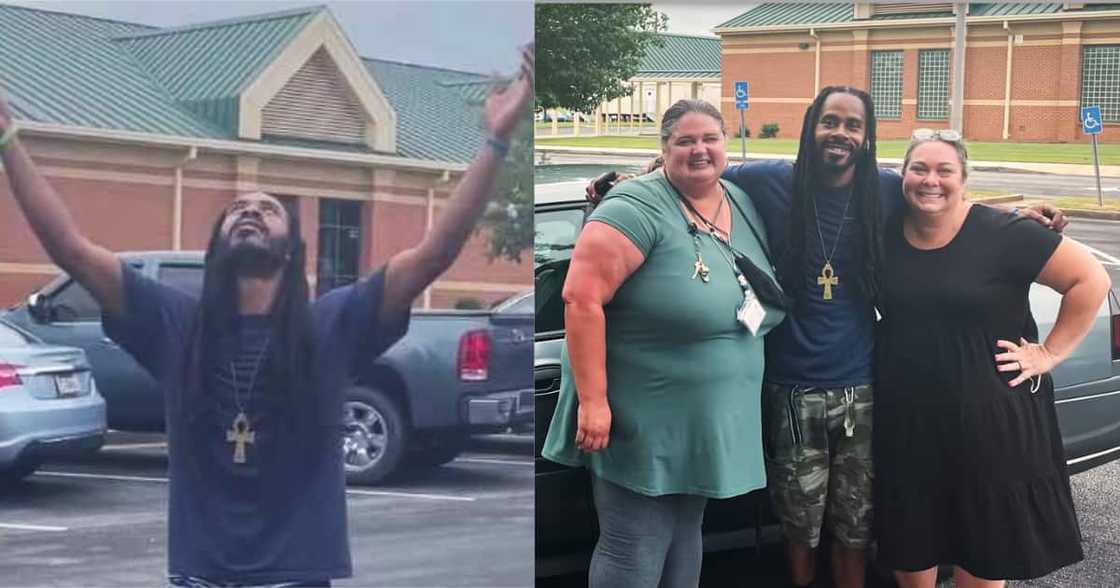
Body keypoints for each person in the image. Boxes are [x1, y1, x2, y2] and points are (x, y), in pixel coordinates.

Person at [0, 48, 532, 587]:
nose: (250, 210)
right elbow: (69, 249)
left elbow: (435, 253)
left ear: (292, 248)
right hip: (200, 576)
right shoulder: (175, 324)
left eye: (268, 208)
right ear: (215, 246)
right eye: (236, 209)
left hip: (295, 576)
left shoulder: (331, 327)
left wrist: (495, 140)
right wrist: (7, 139)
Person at [587, 87, 1066, 588]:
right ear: (811, 127)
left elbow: (942, 200)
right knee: (798, 525)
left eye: (853, 125)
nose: (840, 133)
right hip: (790, 387)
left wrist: (1021, 218)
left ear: (866, 136)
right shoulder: (770, 180)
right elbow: (696, 166)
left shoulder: (882, 190)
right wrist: (627, 180)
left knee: (855, 526)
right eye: (829, 122)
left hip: (862, 384)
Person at [541, 99, 787, 588]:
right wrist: (593, 403)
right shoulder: (635, 207)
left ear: (726, 143)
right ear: (664, 148)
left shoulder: (735, 198)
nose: (700, 150)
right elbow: (580, 300)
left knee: (684, 535)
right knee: (634, 547)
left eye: (710, 138)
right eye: (685, 141)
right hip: (643, 417)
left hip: (701, 421)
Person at [874, 130, 1109, 587]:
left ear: (964, 179)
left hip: (991, 425)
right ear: (902, 175)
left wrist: (1048, 353)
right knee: (911, 540)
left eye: (945, 171)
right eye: (919, 168)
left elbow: (1090, 279)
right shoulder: (885, 231)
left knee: (985, 547)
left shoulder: (1004, 233)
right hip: (907, 422)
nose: (930, 180)